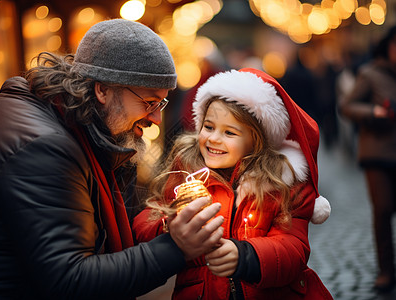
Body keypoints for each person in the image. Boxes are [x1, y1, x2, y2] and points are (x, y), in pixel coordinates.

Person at [0, 19, 225, 299]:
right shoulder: (45, 148)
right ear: (102, 90)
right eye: (149, 103)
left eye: (161, 104)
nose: (155, 118)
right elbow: (71, 280)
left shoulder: (60, 119)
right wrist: (175, 247)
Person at [133, 68, 333, 299]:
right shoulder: (187, 168)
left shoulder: (282, 184)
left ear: (256, 140)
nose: (214, 138)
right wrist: (169, 226)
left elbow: (293, 248)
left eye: (229, 132)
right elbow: (148, 217)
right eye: (208, 127)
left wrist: (246, 256)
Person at [338, 25, 396, 293]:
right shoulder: (370, 73)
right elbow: (347, 106)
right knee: (383, 210)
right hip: (378, 154)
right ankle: (386, 270)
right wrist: (373, 112)